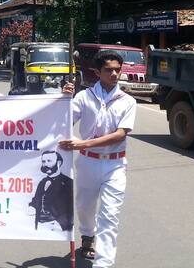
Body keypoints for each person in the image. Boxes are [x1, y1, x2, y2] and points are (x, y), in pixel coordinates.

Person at [58, 50, 136, 268]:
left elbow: (121, 134)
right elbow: (64, 121)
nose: (114, 74)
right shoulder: (84, 97)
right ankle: (87, 236)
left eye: (117, 70)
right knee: (85, 207)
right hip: (87, 163)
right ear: (97, 72)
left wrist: (82, 144)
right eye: (108, 70)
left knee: (110, 216)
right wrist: (65, 98)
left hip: (115, 164)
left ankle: (103, 263)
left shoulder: (127, 101)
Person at [29, 150, 73, 232]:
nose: (45, 164)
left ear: (59, 163)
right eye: (43, 161)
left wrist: (63, 224)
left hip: (58, 227)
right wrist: (31, 207)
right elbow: (35, 201)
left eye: (49, 161)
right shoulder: (42, 182)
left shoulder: (68, 182)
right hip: (39, 226)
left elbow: (72, 208)